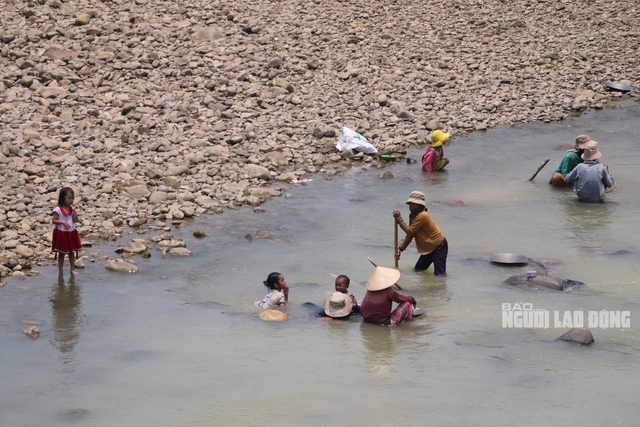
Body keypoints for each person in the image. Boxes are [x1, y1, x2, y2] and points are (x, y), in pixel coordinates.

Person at [394, 191, 448, 276]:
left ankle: (440, 289)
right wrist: (400, 249)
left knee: (440, 276)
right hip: (429, 249)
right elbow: (411, 234)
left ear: (420, 205)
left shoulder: (422, 215)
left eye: (414, 204)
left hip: (439, 246)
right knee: (418, 270)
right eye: (410, 203)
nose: (411, 206)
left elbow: (409, 231)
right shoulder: (413, 216)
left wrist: (399, 219)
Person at [51, 187, 82, 276]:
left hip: (71, 232)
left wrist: (74, 209)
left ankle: (72, 269)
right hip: (62, 233)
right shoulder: (58, 209)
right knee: (61, 253)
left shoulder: (71, 209)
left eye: (72, 198)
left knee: (71, 252)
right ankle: (60, 270)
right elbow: (54, 220)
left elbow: (75, 220)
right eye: (68, 198)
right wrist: (63, 222)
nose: (71, 200)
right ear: (62, 198)